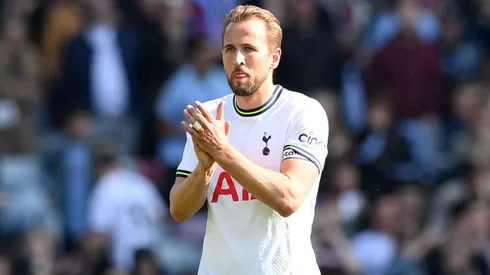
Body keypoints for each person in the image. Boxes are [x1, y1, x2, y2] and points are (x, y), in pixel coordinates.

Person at [169, 5, 329, 275]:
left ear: (274, 57)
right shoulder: (209, 117)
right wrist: (205, 169)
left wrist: (221, 152)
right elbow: (179, 210)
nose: (238, 59)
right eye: (229, 49)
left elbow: (289, 198)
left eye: (249, 48)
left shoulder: (302, 111)